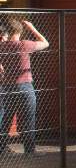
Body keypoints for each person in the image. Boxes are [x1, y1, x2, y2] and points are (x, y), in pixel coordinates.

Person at [0, 17, 49, 156]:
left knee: (6, 119)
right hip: (24, 86)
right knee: (28, 119)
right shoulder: (24, 45)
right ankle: (29, 151)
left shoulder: (2, 46)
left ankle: (1, 149)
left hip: (7, 87)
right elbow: (45, 43)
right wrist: (32, 28)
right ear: (19, 31)